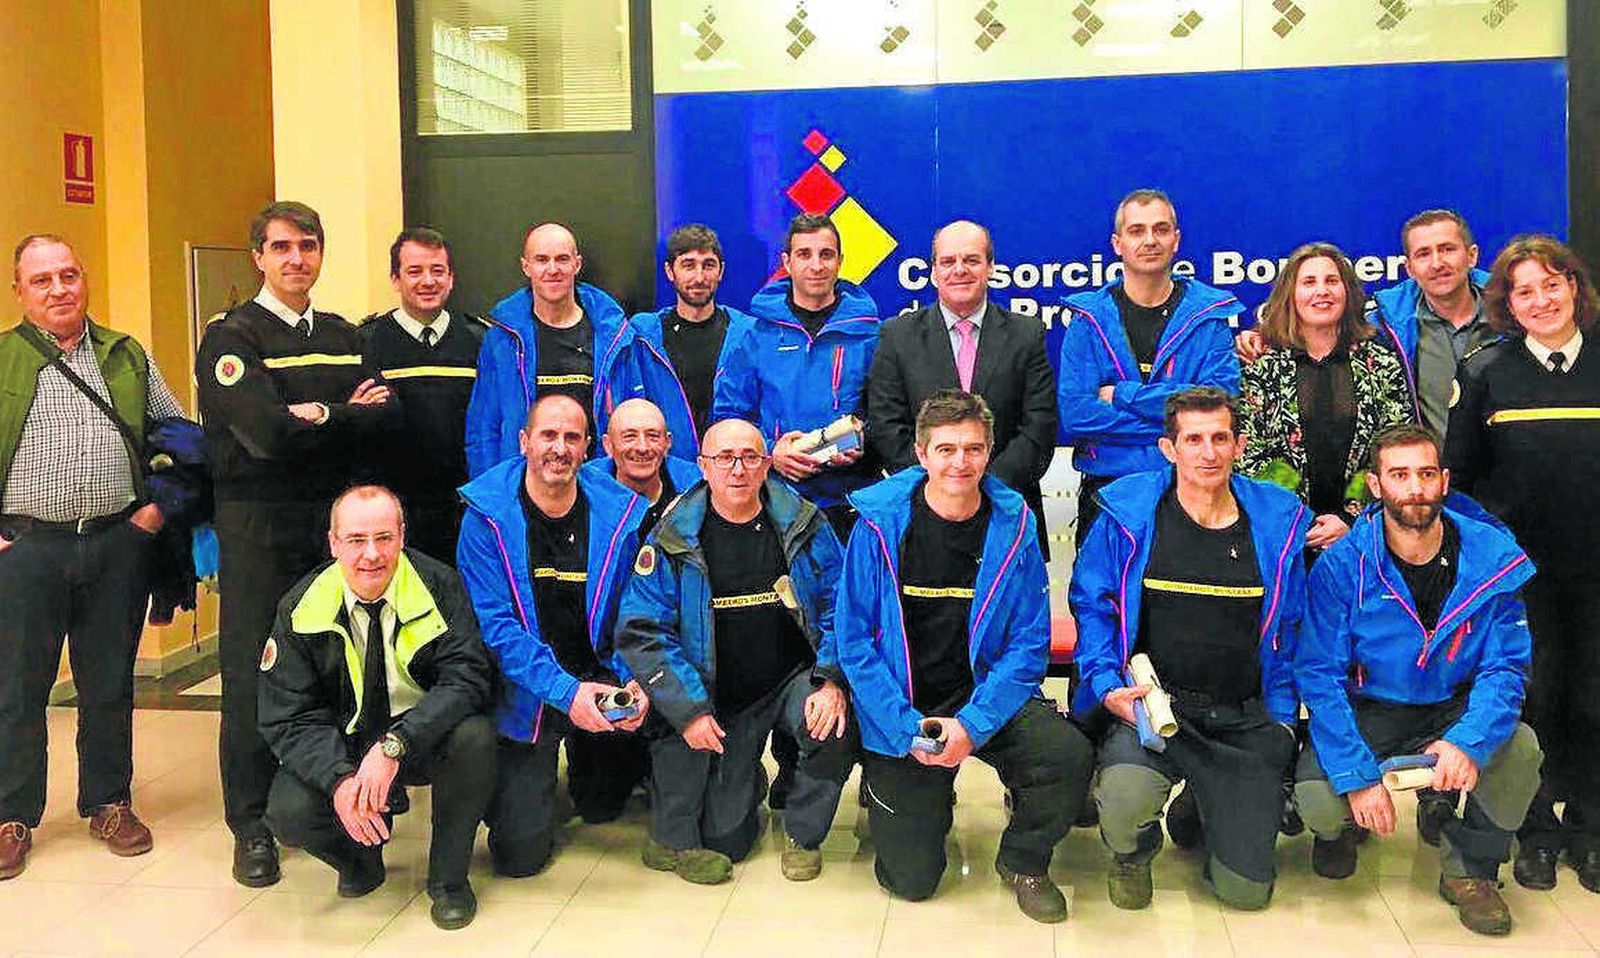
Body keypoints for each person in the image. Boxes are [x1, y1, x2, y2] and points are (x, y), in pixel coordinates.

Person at [197, 201, 399, 887]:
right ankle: (252, 824)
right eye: (280, 247)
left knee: (342, 662)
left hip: (331, 532)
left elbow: (386, 420)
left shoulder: (344, 335)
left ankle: (341, 794)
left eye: (308, 246)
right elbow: (267, 435)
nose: (296, 259)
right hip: (259, 533)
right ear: (258, 255)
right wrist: (343, 417)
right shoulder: (231, 338)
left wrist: (317, 415)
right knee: (258, 672)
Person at [835, 390, 1092, 923]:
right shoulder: (878, 523)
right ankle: (925, 800)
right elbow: (855, 640)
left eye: (973, 449)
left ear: (989, 451)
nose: (960, 462)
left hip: (983, 696)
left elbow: (1027, 644)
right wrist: (903, 725)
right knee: (910, 881)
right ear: (922, 455)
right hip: (904, 708)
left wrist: (972, 725)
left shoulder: (1014, 524)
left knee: (1066, 755)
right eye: (946, 449)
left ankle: (1024, 860)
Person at [1294, 425, 1540, 936]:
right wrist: (1358, 778)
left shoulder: (1492, 557)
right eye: (1399, 475)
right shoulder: (1342, 567)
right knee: (1319, 796)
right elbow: (1318, 676)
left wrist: (1468, 742)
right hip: (1371, 706)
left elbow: (1506, 668)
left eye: (1426, 474)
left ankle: (1470, 869)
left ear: (1444, 480)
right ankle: (1342, 829)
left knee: (1520, 751)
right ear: (1376, 485)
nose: (1415, 489)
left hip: (1455, 705)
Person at [1070, 386, 1309, 911]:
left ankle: (1198, 809)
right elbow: (1093, 607)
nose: (1208, 452)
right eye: (1194, 439)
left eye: (1220, 438)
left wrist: (1284, 720)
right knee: (1126, 801)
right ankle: (1133, 851)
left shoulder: (1276, 518)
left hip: (1242, 716)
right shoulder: (1128, 512)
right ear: (1168, 448)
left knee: (1246, 896)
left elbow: (1292, 626)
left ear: (1239, 445)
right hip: (1156, 713)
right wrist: (1108, 687)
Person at [0, 234, 185, 878]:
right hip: (26, 549)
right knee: (18, 688)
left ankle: (108, 802)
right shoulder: (3, 360)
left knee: (108, 684)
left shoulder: (125, 355)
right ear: (19, 291)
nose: (59, 289)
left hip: (115, 544)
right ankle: (11, 816)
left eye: (69, 275)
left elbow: (181, 438)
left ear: (85, 282)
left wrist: (155, 511)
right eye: (43, 279)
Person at [614, 418, 855, 885]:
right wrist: (689, 712)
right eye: (724, 458)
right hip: (714, 694)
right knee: (728, 841)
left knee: (832, 726)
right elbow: (643, 631)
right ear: (702, 466)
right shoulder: (672, 536)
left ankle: (804, 835)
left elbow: (843, 606)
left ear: (767, 464)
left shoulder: (805, 523)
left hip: (790, 680)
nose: (738, 469)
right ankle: (742, 781)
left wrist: (831, 679)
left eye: (750, 456)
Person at [259, 486, 495, 929]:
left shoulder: (439, 584)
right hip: (344, 743)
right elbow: (288, 716)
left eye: (384, 538)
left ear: (402, 536)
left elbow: (467, 679)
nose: (371, 555)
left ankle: (447, 881)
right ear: (333, 543)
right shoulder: (299, 605)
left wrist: (396, 745)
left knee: (475, 737)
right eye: (356, 540)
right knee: (288, 812)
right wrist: (338, 780)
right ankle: (359, 861)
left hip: (419, 734)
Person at [1445, 235, 1600, 892]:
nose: (1540, 300)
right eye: (1523, 290)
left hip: (1597, 575)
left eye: (1551, 284)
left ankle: (1591, 829)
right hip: (1522, 580)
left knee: (1594, 698)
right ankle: (1535, 834)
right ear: (1507, 303)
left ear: (1575, 287)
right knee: (1531, 702)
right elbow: (1464, 486)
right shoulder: (1486, 372)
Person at [456, 394, 650, 876]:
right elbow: (497, 630)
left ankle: (591, 773)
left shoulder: (620, 514)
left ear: (588, 448)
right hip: (524, 693)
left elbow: (634, 609)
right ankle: (524, 786)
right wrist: (567, 693)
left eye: (571, 437)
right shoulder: (484, 517)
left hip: (600, 680)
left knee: (603, 805)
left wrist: (633, 682)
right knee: (519, 858)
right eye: (548, 435)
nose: (559, 448)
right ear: (524, 442)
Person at [1057, 190, 1243, 546]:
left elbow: (1220, 405)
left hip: (1194, 487)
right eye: (1137, 230)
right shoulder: (1087, 320)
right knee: (1105, 601)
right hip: (1108, 491)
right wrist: (1179, 422)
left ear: (1176, 239)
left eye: (1160, 229)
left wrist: (1123, 395)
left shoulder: (1210, 318)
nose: (1149, 240)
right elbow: (1077, 415)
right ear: (1117, 243)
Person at [866, 221, 1057, 554]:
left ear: (990, 268)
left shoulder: (1028, 335)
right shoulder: (897, 336)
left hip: (1007, 513)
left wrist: (984, 488)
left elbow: (1038, 428)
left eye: (971, 260)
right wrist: (940, 488)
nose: (960, 270)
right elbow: (887, 427)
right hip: (922, 516)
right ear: (934, 272)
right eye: (948, 261)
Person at [1240, 211, 1492, 444]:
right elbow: (1321, 323)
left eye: (1447, 249)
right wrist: (1263, 336)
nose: (1437, 263)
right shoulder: (1387, 324)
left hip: (1510, 479)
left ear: (1472, 256)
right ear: (1409, 268)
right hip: (1426, 482)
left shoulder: (1514, 316)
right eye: (1423, 254)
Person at [713, 212, 883, 537]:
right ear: (787, 263)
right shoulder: (752, 335)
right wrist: (769, 451)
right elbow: (727, 419)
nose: (816, 266)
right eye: (804, 254)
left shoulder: (871, 335)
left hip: (851, 504)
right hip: (774, 502)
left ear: (840, 262)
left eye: (826, 254)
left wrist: (864, 442)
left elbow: (888, 416)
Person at [1238, 242, 1412, 553]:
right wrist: (1300, 518)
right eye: (1309, 282)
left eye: (1332, 281)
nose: (1322, 291)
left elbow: (1395, 448)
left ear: (1348, 292)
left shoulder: (1381, 363)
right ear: (1290, 294)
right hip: (1282, 535)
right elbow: (1248, 452)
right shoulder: (1260, 365)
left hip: (1364, 536)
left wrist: (1351, 517)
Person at [465, 222, 671, 476]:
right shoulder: (501, 339)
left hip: (598, 484)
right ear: (526, 266)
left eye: (562, 259)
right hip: (521, 488)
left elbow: (635, 416)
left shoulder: (615, 337)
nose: (553, 269)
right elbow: (484, 429)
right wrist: (493, 497)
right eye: (542, 260)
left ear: (577, 264)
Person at [357, 227, 486, 564]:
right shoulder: (365, 343)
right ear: (395, 278)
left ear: (451, 278)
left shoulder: (480, 341)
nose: (428, 281)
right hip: (393, 514)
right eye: (415, 271)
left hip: (463, 511)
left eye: (437, 270)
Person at [626, 224, 755, 448]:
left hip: (732, 466)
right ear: (669, 271)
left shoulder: (748, 334)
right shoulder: (643, 336)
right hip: (665, 469)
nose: (699, 277)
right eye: (688, 265)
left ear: (721, 271)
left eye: (708, 265)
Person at [588, 398, 700, 536]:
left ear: (667, 443)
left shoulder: (697, 490)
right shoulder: (584, 490)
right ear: (608, 445)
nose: (642, 447)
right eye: (629, 437)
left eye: (653, 436)